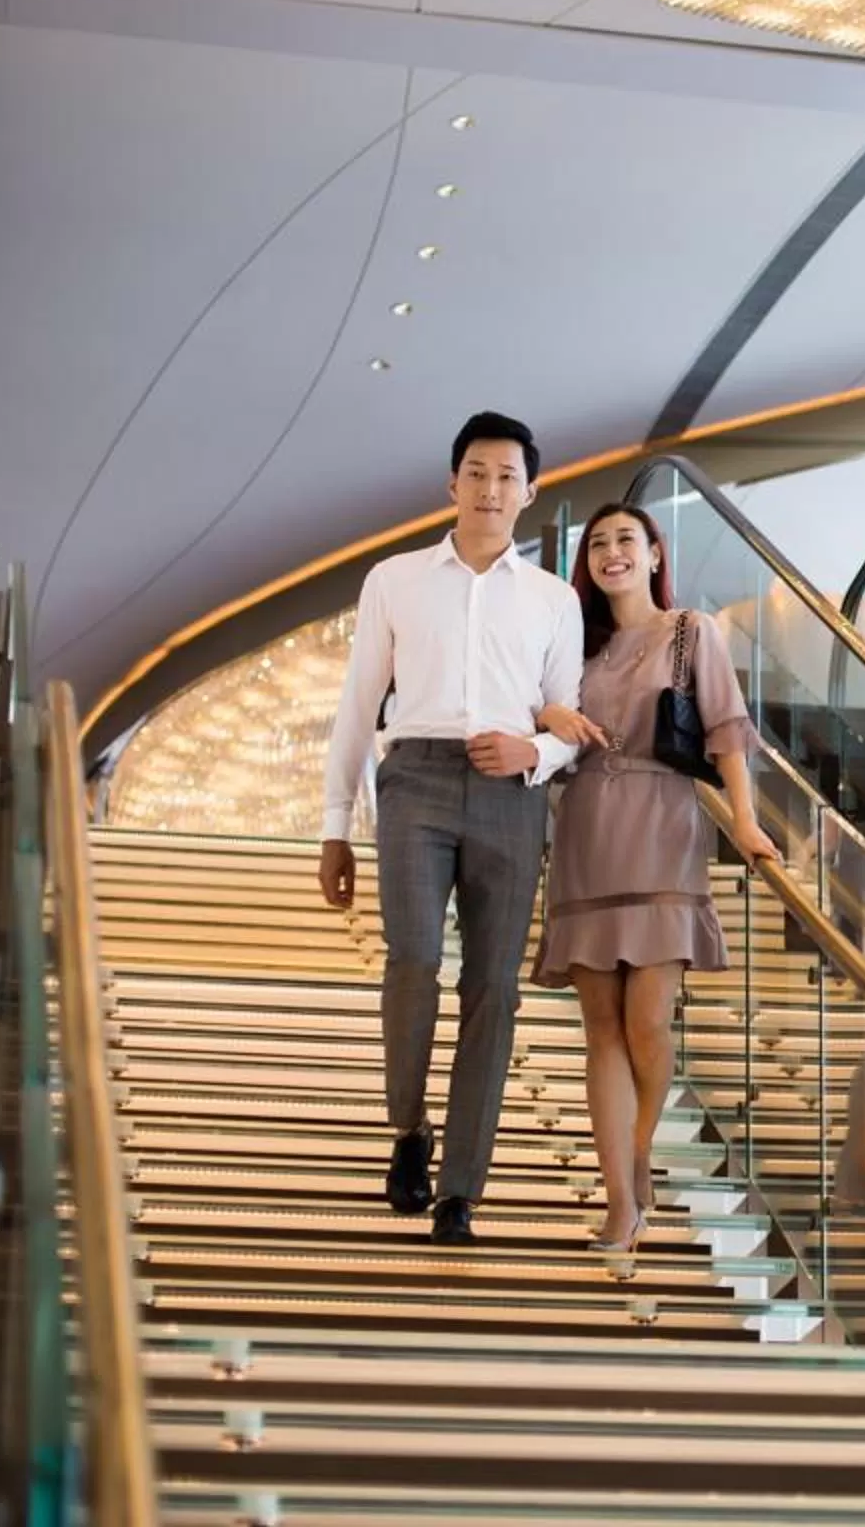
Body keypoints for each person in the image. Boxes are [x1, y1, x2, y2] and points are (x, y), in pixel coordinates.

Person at [318, 412, 584, 1247]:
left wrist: (531, 750)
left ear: (530, 493)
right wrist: (333, 824)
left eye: (508, 476)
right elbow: (360, 704)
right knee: (414, 961)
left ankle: (462, 1187)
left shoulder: (553, 599)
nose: (491, 488)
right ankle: (408, 1133)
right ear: (452, 482)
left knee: (493, 991)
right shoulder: (394, 579)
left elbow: (568, 722)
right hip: (417, 780)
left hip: (511, 791)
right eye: (477, 472)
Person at [530, 502, 777, 1250]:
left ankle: (640, 1155)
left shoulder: (689, 632)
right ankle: (619, 1197)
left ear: (654, 553)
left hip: (664, 826)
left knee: (648, 1021)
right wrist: (549, 714)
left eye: (625, 541)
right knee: (600, 1027)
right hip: (584, 833)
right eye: (598, 544)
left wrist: (745, 816)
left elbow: (728, 730)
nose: (611, 554)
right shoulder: (574, 647)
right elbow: (537, 723)